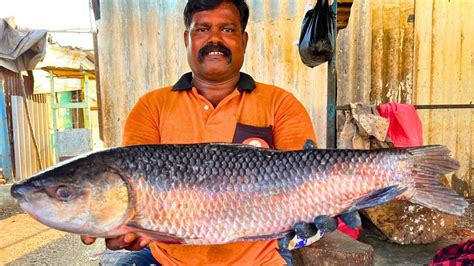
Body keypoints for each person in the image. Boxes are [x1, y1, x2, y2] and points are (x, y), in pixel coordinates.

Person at [82, 0, 359, 265]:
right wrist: (126, 226)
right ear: (186, 39)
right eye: (202, 29)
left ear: (244, 40)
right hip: (168, 259)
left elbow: (306, 179)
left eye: (227, 29)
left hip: (261, 261)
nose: (214, 38)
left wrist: (314, 213)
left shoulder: (280, 104)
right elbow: (133, 193)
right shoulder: (151, 107)